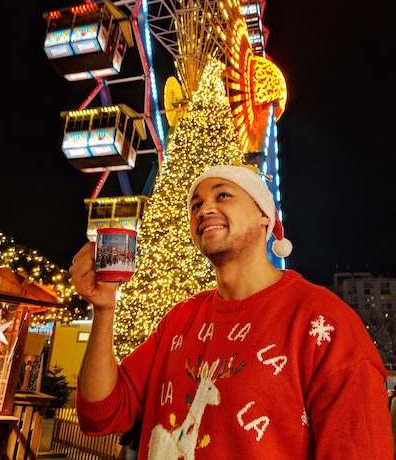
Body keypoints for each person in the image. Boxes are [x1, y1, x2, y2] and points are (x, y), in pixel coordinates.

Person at [70, 162, 393, 459]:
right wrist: (104, 309)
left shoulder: (323, 321)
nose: (204, 209)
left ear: (265, 215)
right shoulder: (178, 321)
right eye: (195, 205)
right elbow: (100, 414)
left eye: (222, 195)